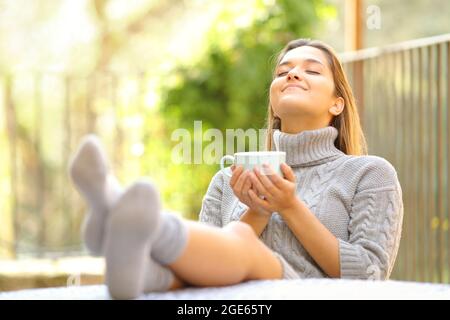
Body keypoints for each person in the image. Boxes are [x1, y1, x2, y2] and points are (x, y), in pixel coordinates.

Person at [69, 39, 403, 299]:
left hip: (302, 292)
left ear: (337, 103)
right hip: (231, 301)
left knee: (242, 237)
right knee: (194, 260)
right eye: (283, 71)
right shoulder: (227, 179)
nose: (293, 73)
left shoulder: (369, 173)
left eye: (312, 70)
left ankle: (128, 215)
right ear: (273, 102)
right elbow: (200, 267)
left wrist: (289, 207)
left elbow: (369, 277)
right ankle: (137, 270)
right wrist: (257, 210)